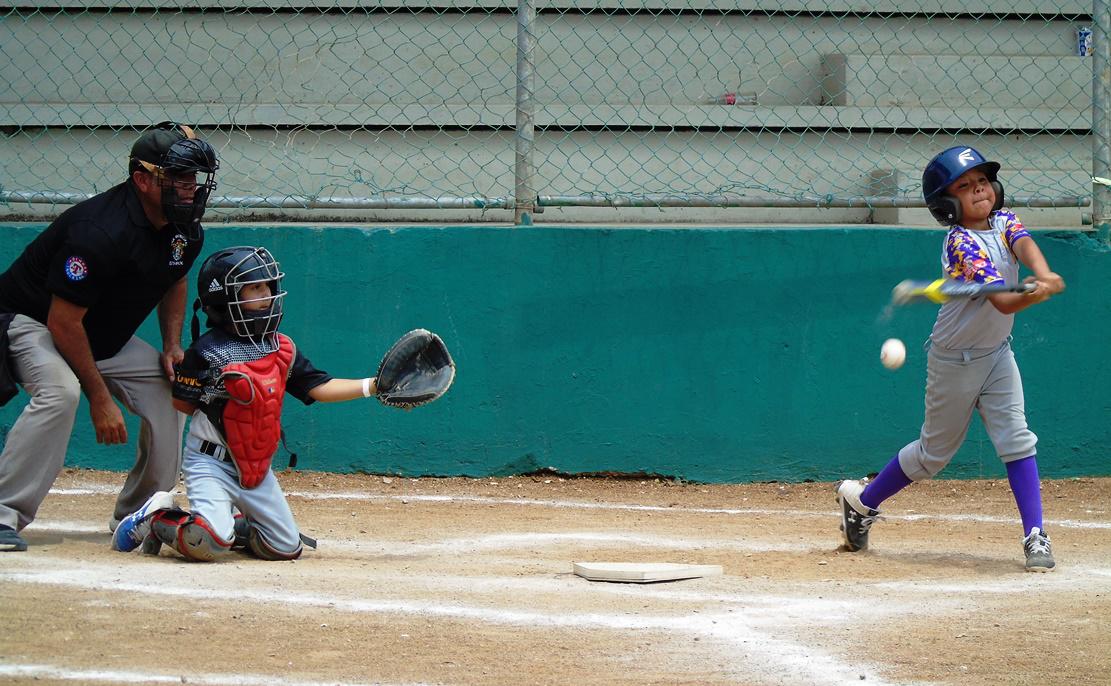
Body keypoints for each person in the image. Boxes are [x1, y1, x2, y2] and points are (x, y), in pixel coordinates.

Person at [836, 145, 1066, 572]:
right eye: (964, 186)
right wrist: (1036, 295)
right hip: (954, 360)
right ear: (946, 204)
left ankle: (1035, 534)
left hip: (997, 354)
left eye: (982, 181)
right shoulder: (961, 243)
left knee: (1017, 438)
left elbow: (1024, 244)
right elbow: (1004, 302)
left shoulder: (1004, 221)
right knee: (932, 456)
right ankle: (862, 502)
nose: (979, 190)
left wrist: (1043, 273)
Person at [0, 123, 219, 552]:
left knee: (173, 392)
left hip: (96, 333)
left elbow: (175, 278)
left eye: (193, 177)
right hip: (32, 322)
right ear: (142, 179)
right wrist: (100, 399)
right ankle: (3, 512)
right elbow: (63, 322)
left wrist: (172, 346)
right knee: (61, 393)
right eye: (177, 177)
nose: (189, 187)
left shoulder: (184, 226)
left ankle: (140, 515)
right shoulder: (99, 231)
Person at [111, 246, 379, 561]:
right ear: (224, 297)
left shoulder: (280, 347)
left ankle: (233, 523)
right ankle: (157, 517)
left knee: (284, 548)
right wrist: (219, 397)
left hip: (254, 466)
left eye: (268, 286)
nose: (267, 294)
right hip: (209, 463)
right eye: (254, 287)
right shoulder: (206, 351)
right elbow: (183, 405)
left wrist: (373, 386)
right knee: (207, 542)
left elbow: (319, 387)